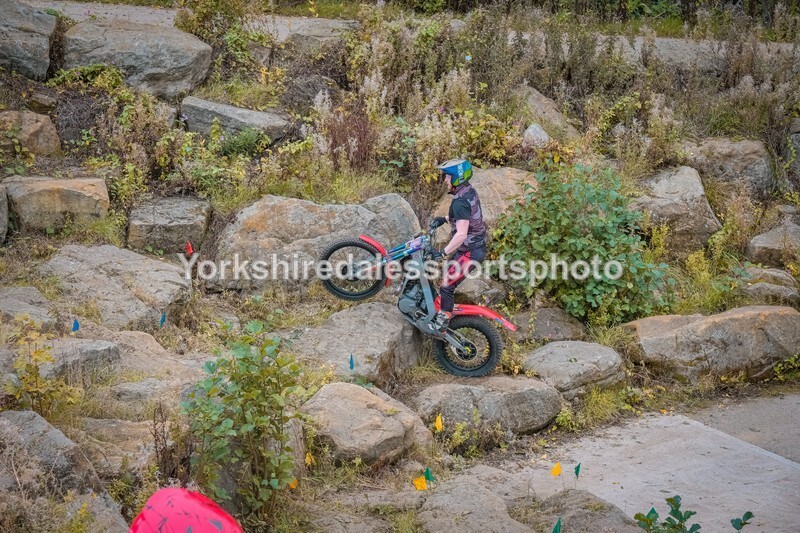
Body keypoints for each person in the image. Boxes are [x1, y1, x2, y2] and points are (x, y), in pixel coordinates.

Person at [429, 158, 487, 332]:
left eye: (447, 177)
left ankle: (443, 322)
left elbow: (461, 234)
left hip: (470, 251)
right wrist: (445, 219)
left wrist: (442, 252)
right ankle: (443, 310)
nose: (445, 180)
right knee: (446, 276)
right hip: (472, 247)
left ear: (457, 178)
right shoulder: (468, 191)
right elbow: (468, 216)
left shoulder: (460, 201)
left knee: (447, 283)